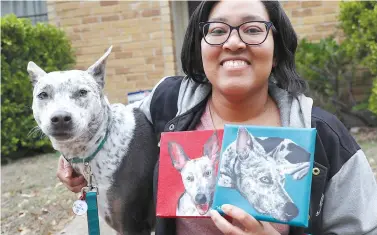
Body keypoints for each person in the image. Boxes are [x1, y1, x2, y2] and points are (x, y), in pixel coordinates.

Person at [57, 1, 377, 235]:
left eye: (252, 29)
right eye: (218, 30)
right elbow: (112, 129)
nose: (234, 42)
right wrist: (77, 157)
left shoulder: (325, 136)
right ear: (200, 47)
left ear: (276, 48)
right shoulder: (167, 104)